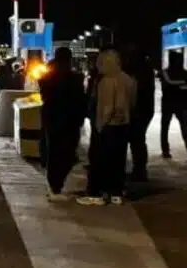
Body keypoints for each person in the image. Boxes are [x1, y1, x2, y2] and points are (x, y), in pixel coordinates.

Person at [79, 49, 136, 206]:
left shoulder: (106, 81)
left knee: (99, 160)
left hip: (107, 126)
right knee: (118, 160)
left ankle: (96, 194)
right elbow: (132, 103)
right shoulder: (128, 79)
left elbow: (108, 107)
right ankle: (116, 193)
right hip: (123, 126)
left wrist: (100, 125)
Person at [38, 47, 86, 201]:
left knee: (54, 151)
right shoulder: (76, 78)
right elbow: (80, 98)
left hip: (53, 118)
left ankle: (55, 184)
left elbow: (44, 93)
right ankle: (57, 183)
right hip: (70, 119)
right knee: (68, 152)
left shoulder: (47, 77)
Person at [159, 56, 187, 159]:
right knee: (184, 128)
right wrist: (184, 84)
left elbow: (169, 83)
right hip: (178, 104)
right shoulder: (183, 73)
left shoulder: (166, 72)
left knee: (166, 127)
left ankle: (167, 151)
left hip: (170, 103)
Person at [126, 47, 156, 182]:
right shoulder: (146, 70)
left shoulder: (140, 72)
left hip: (139, 110)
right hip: (144, 110)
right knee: (138, 141)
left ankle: (139, 170)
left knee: (137, 141)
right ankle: (140, 169)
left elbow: (139, 91)